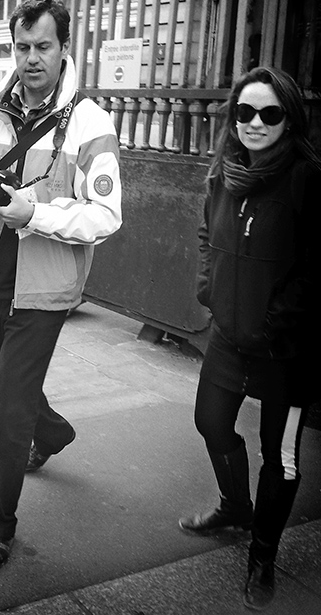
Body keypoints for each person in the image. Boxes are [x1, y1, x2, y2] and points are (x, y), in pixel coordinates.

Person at [0, 0, 122, 574]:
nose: (30, 59)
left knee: (8, 410)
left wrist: (33, 214)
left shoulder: (91, 122)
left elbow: (105, 215)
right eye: (21, 47)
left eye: (43, 46)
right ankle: (56, 430)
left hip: (44, 290)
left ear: (64, 46)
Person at [178, 66, 321, 610]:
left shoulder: (308, 178)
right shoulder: (223, 172)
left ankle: (263, 554)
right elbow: (204, 234)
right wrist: (208, 287)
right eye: (244, 112)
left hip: (284, 347)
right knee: (210, 422)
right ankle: (235, 507)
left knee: (278, 458)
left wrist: (275, 320)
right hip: (229, 332)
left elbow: (315, 266)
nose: (255, 123)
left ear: (289, 117)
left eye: (269, 113)